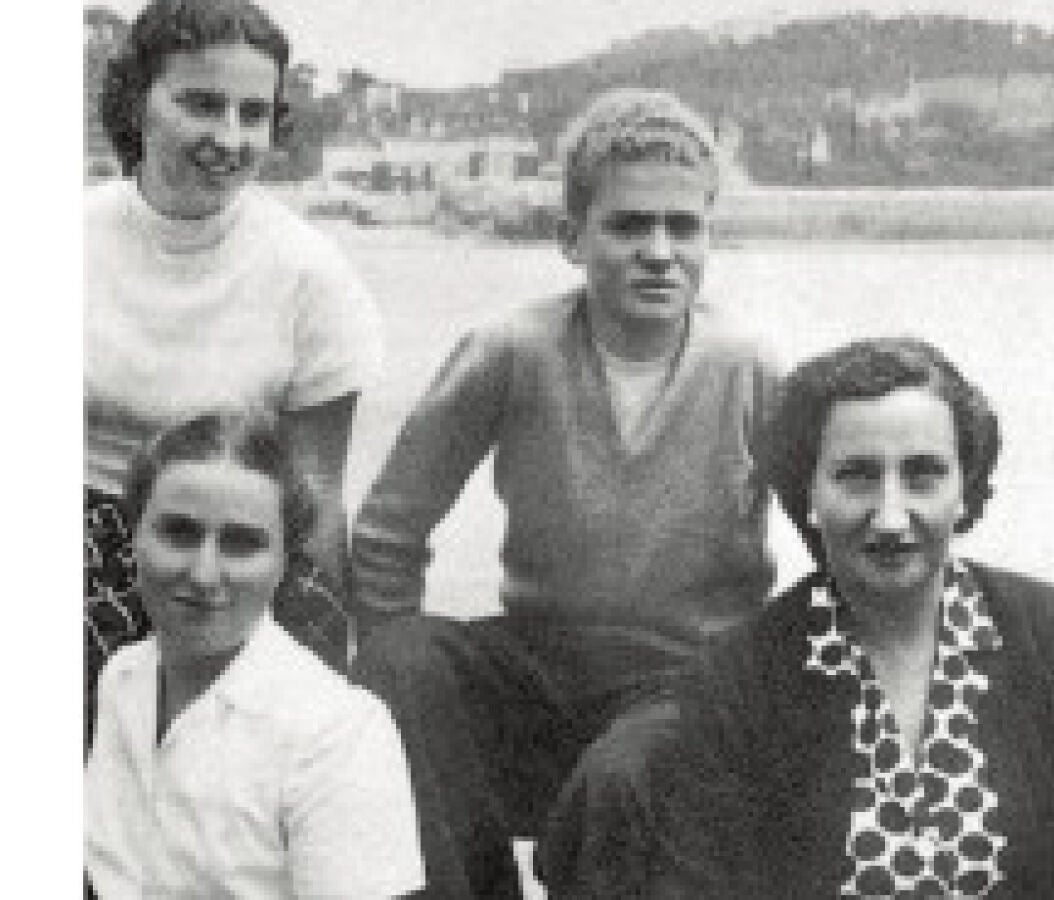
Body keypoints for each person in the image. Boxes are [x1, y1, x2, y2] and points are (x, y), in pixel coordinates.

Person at [542, 338, 1054, 898]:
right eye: (857, 477)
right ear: (808, 494)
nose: (891, 517)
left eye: (923, 475)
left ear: (965, 488)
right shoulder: (740, 679)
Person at [349, 88, 780, 897]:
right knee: (398, 662)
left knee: (626, 773)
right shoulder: (510, 350)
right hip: (537, 666)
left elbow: (840, 533)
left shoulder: (749, 365)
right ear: (571, 238)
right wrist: (391, 710)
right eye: (628, 226)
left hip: (683, 682)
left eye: (683, 227)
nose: (659, 252)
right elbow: (386, 534)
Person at [85, 0, 382, 725]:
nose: (228, 137)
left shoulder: (311, 273)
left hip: (232, 537)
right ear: (138, 101)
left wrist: (326, 647)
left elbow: (315, 496)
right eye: (200, 104)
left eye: (253, 114)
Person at [84, 410, 424, 898]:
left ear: (286, 562)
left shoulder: (339, 734)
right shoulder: (122, 679)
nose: (204, 574)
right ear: (133, 536)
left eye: (242, 544)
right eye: (179, 532)